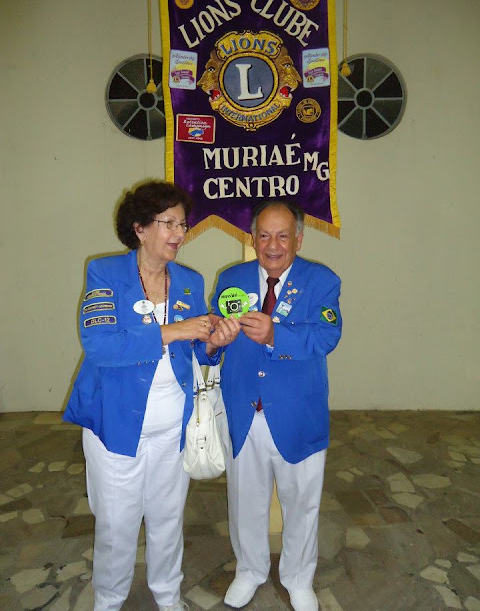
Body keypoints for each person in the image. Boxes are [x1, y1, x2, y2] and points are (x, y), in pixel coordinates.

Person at [64, 180, 224, 611]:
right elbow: (101, 346)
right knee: (117, 524)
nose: (179, 233)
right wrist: (173, 331)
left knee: (168, 518)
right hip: (116, 425)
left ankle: (168, 595)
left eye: (183, 224)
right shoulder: (106, 273)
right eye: (168, 223)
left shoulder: (189, 281)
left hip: (173, 427)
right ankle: (109, 599)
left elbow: (197, 350)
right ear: (139, 228)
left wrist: (213, 343)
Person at [210, 200, 342, 611]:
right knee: (244, 501)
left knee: (302, 502)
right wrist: (213, 343)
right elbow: (213, 338)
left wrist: (275, 336)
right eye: (264, 235)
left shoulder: (322, 281)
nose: (272, 245)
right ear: (253, 238)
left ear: (298, 239)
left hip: (298, 413)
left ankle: (298, 578)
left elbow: (326, 336)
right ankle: (249, 570)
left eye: (283, 235)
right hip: (244, 410)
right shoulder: (231, 279)